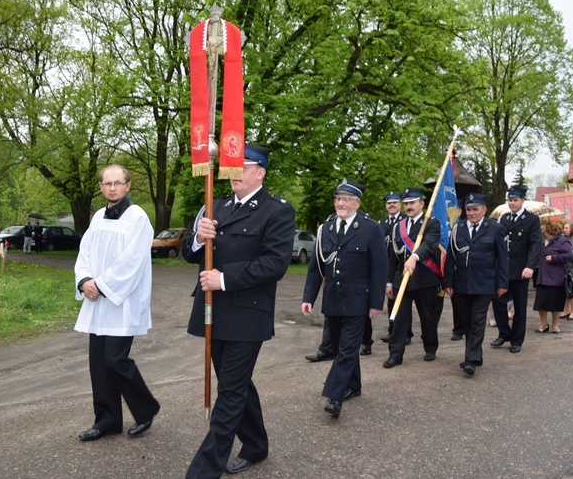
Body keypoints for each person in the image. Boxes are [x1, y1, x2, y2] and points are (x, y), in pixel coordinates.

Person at [183, 144, 295, 477]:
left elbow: (275, 264)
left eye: (241, 166)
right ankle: (256, 444)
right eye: (230, 166)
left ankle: (203, 471)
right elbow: (190, 255)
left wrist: (225, 278)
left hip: (248, 315)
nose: (233, 172)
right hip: (212, 312)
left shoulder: (276, 211)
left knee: (230, 392)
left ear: (259, 172)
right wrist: (198, 240)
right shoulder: (214, 205)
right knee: (238, 385)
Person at [73, 164, 160, 442]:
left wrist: (101, 284)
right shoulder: (98, 216)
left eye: (118, 183)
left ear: (128, 185)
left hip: (122, 301)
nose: (112, 188)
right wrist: (85, 279)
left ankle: (146, 408)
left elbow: (132, 262)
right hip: (98, 300)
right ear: (100, 186)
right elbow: (84, 251)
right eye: (107, 183)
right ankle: (107, 420)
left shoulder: (138, 218)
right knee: (98, 362)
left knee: (115, 359)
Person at [301, 179, 387, 418]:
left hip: (359, 301)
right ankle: (354, 385)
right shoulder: (325, 229)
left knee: (348, 349)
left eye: (346, 199)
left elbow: (380, 269)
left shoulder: (370, 229)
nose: (340, 203)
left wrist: (375, 303)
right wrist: (309, 296)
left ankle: (335, 396)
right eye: (338, 198)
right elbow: (316, 267)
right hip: (333, 300)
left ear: (357, 203)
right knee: (342, 348)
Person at [443, 193, 508, 376]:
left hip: (485, 282)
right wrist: (448, 281)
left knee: (478, 320)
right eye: (468, 209)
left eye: (475, 209)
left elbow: (502, 258)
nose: (471, 213)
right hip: (462, 283)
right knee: (467, 322)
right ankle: (475, 355)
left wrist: (502, 283)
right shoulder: (458, 228)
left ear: (484, 210)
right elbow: (451, 257)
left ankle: (470, 360)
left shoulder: (494, 228)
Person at [383, 187, 444, 368]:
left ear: (422, 204)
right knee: (399, 319)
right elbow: (393, 255)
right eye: (406, 203)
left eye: (412, 203)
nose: (409, 207)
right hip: (401, 278)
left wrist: (414, 257)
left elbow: (429, 244)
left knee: (427, 317)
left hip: (424, 278)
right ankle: (395, 355)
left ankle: (430, 347)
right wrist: (388, 281)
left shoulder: (432, 223)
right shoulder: (398, 227)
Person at [490, 186, 542, 353]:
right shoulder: (504, 219)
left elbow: (536, 245)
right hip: (503, 269)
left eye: (515, 200)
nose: (512, 203)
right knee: (498, 302)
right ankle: (504, 333)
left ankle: (516, 340)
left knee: (519, 307)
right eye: (510, 200)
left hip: (521, 270)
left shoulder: (531, 220)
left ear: (522, 201)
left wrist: (530, 266)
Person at [378, 191, 411, 346]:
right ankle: (393, 331)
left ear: (400, 205)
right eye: (389, 203)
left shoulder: (405, 221)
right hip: (386, 265)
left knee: (403, 301)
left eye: (395, 202)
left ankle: (405, 333)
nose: (391, 205)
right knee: (391, 300)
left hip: (401, 265)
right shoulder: (381, 223)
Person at [533, 220, 572, 334]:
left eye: (546, 231)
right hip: (542, 276)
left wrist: (554, 258)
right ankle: (543, 324)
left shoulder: (563, 241)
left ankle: (555, 325)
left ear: (550, 231)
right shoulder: (543, 241)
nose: (544, 233)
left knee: (556, 303)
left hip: (556, 278)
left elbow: (569, 255)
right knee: (541, 302)